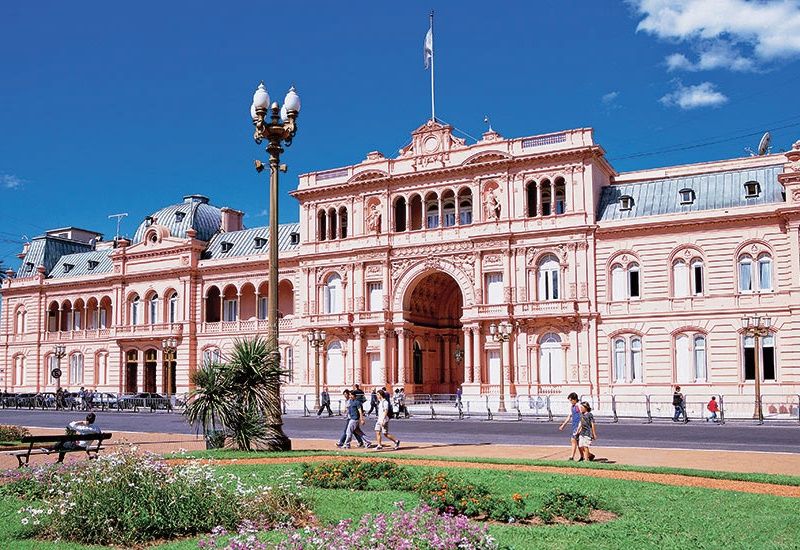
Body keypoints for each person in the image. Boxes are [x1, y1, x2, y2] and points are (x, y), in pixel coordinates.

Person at [559, 392, 582, 461]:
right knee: (577, 442)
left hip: (579, 426)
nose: (570, 402)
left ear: (574, 399)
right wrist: (563, 425)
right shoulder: (572, 407)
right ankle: (587, 455)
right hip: (574, 426)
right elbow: (569, 416)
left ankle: (572, 457)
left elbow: (582, 417)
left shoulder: (579, 406)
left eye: (571, 400)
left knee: (574, 440)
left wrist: (580, 427)